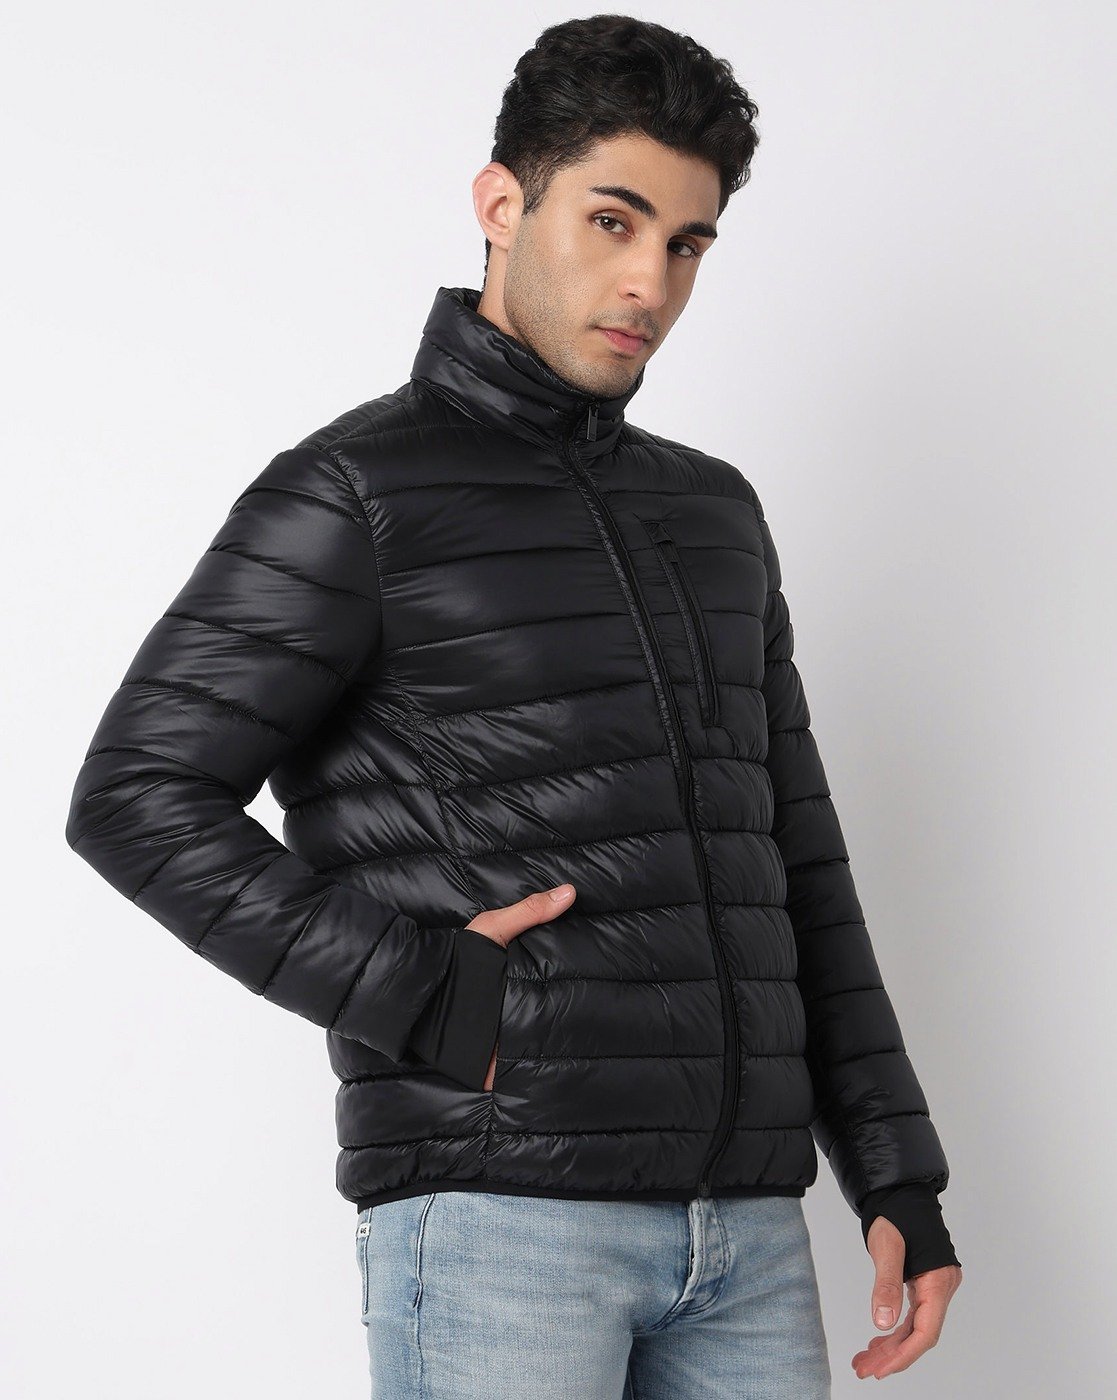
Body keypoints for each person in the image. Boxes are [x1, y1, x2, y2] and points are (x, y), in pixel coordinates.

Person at [65, 14, 962, 1397]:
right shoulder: (356, 492)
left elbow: (793, 856)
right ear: (500, 204)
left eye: (687, 243)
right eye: (610, 219)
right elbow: (134, 796)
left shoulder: (714, 514)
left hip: (745, 1228)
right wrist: (424, 992)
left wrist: (895, 1171)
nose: (647, 280)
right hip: (498, 1218)